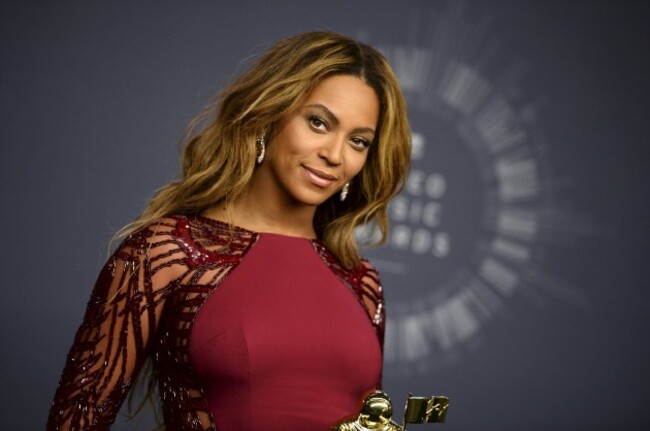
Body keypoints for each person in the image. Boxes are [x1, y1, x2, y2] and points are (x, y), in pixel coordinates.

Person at [47, 31, 411, 431]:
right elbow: (76, 419)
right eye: (319, 122)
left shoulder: (361, 282)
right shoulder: (168, 253)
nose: (335, 155)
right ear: (270, 114)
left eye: (358, 141)